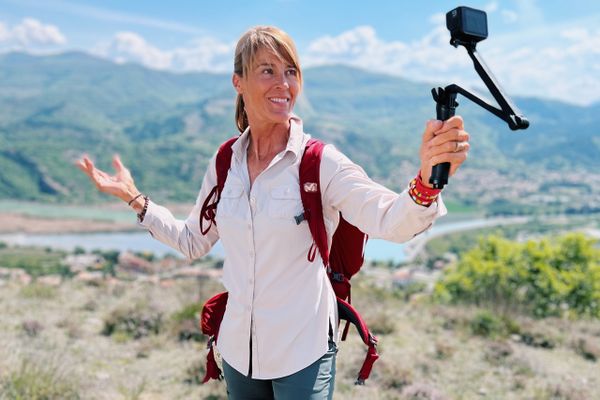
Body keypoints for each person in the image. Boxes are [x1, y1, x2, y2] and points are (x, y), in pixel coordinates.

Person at [76, 25, 470, 400]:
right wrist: (134, 199)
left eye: (291, 71)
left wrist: (427, 181)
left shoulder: (320, 162)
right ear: (238, 82)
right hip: (236, 352)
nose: (283, 84)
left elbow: (389, 220)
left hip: (304, 353)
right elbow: (192, 240)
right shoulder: (224, 162)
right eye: (267, 70)